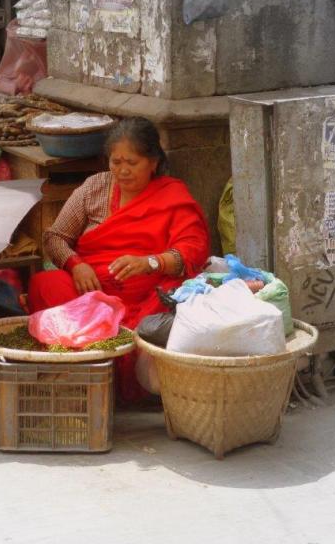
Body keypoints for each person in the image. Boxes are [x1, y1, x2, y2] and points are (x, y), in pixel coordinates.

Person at [28, 117, 210, 401]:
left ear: (153, 162)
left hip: (146, 294)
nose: (123, 171)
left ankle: (122, 379)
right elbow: (55, 238)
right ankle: (81, 366)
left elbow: (192, 251)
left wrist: (150, 262)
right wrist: (76, 265)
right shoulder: (94, 188)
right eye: (116, 162)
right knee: (46, 283)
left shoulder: (172, 195)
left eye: (132, 163)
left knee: (171, 302)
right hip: (91, 292)